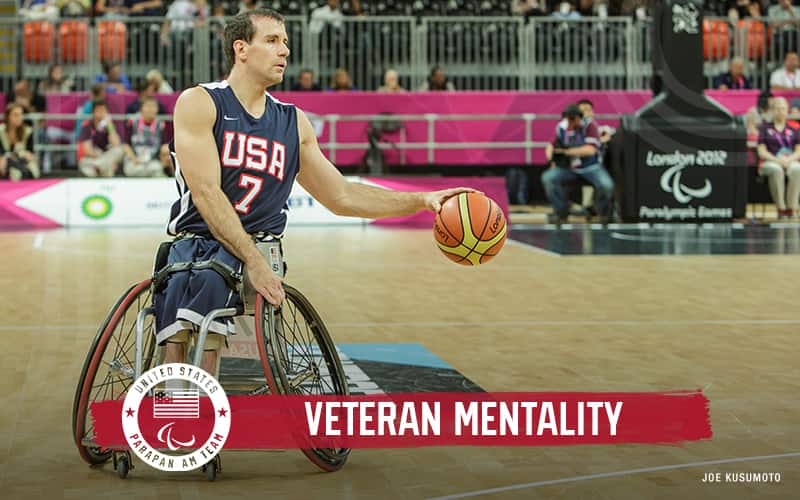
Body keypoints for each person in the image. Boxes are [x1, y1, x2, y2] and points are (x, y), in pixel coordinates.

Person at [155, 8, 472, 381]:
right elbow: (206, 193)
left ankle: (201, 405)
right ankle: (175, 407)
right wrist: (250, 259)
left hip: (263, 249)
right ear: (241, 48)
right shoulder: (200, 102)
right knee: (186, 297)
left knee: (215, 285)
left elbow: (342, 196)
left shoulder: (292, 121)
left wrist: (421, 200)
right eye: (272, 41)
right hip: (200, 242)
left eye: (286, 42)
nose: (284, 51)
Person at [541, 104, 614, 224]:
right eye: (566, 119)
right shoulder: (562, 127)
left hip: (591, 168)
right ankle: (561, 212)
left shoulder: (590, 126)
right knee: (548, 177)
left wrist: (566, 152)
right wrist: (551, 159)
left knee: (606, 185)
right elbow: (551, 145)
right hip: (569, 168)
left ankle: (601, 211)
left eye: (571, 120)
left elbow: (590, 150)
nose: (568, 122)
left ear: (578, 119)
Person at [756, 97, 800, 219]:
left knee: (797, 169)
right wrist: (777, 160)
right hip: (770, 161)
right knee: (776, 169)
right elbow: (761, 151)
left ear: (788, 111)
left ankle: (792, 208)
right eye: (777, 108)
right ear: (772, 111)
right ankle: (781, 208)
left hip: (789, 160)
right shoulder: (764, 128)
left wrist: (788, 160)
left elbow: (798, 151)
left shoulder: (795, 129)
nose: (780, 111)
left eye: (783, 108)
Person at [123, 97, 170, 177]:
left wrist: (164, 156)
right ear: (141, 108)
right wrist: (134, 159)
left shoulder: (161, 125)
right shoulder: (132, 122)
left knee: (157, 168)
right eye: (148, 106)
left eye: (153, 107)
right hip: (135, 160)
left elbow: (164, 146)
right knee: (133, 170)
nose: (150, 109)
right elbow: (125, 145)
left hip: (152, 161)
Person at [77, 99, 124, 177]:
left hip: (103, 158)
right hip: (92, 158)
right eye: (99, 110)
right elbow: (88, 151)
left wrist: (109, 125)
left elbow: (116, 144)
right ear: (93, 112)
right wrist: (104, 161)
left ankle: (101, 167)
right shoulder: (87, 125)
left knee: (119, 150)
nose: (101, 113)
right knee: (90, 170)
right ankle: (103, 167)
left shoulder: (109, 125)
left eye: (104, 110)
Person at [0, 104, 40, 180]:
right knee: (7, 162)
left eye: (21, 114)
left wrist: (26, 154)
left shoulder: (27, 131)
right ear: (8, 116)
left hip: (21, 162)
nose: (19, 118)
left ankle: (20, 173)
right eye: (16, 115)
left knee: (30, 167)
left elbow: (31, 153)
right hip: (5, 164)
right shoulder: (1, 131)